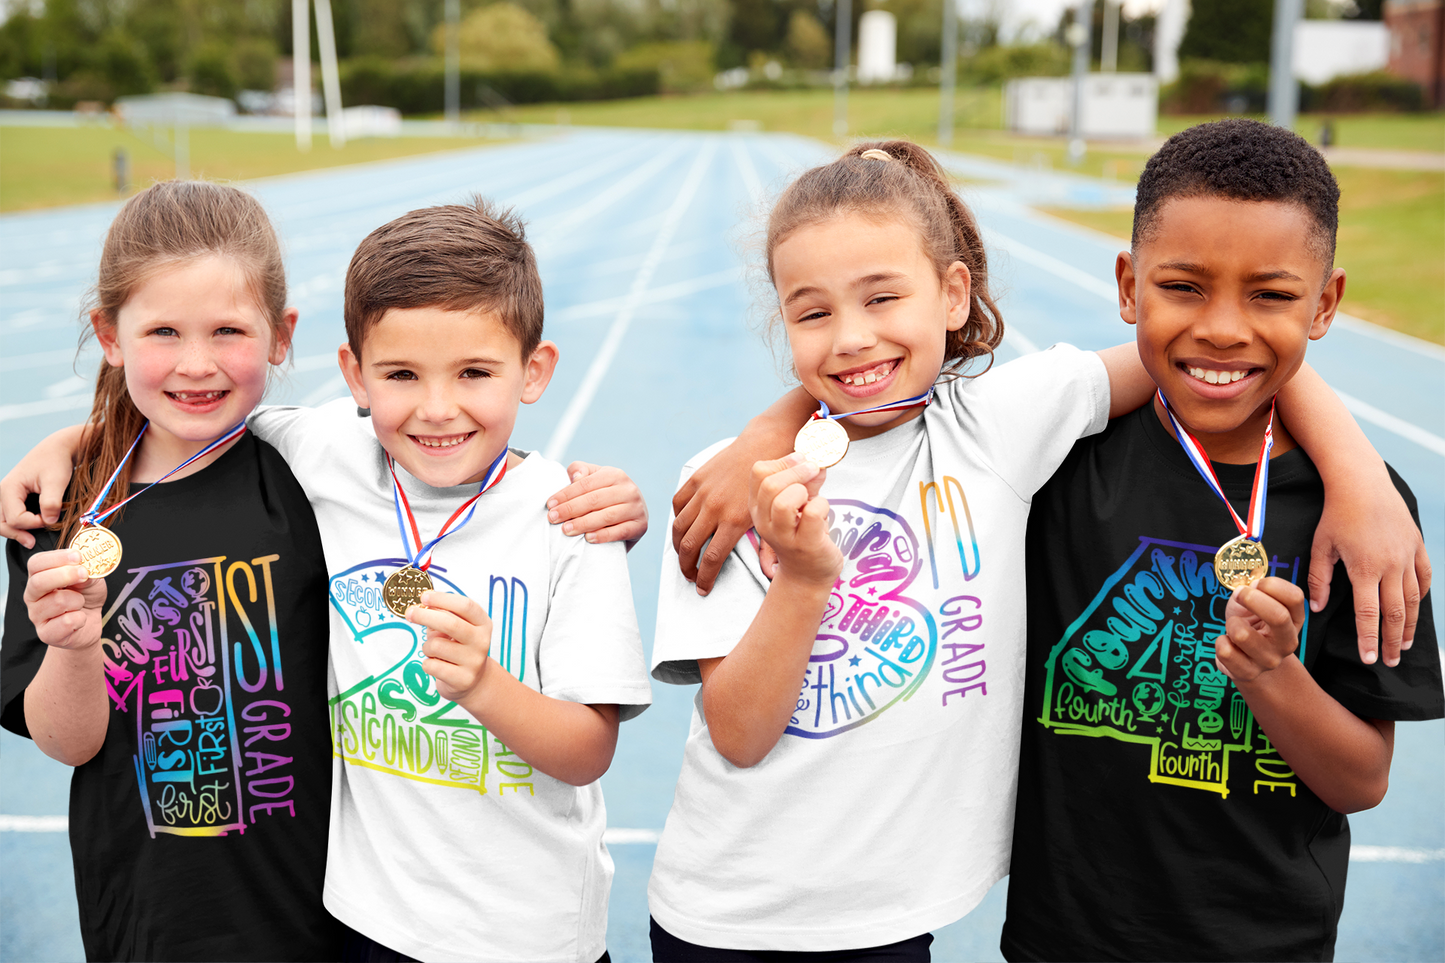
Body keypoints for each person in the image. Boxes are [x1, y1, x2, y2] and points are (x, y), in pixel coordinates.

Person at [647, 140, 1431, 961]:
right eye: (812, 313)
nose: (850, 338)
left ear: (953, 294)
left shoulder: (1000, 431)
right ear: (1128, 286)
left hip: (947, 924)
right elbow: (1198, 350)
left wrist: (1356, 471)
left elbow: (1214, 354)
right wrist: (763, 450)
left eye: (882, 297)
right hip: (758, 914)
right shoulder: (734, 488)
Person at [0, 188, 651, 963]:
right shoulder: (67, 511)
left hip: (346, 922)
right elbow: (65, 740)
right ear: (109, 335)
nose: (197, 360)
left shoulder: (316, 470)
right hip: (166, 919)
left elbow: (588, 742)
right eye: (164, 331)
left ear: (280, 338)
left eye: (228, 330)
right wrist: (71, 449)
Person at [1000, 119, 1442, 962]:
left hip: (1264, 944)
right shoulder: (1056, 465)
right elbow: (908, 407)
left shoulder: (1363, 518)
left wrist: (1274, 676)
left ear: (1325, 304)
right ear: (1128, 286)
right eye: (1184, 286)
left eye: (1270, 295)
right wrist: (771, 433)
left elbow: (1361, 779)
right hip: (1063, 939)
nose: (1223, 329)